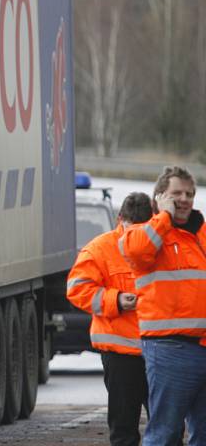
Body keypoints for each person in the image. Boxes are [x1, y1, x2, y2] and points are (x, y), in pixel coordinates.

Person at [121, 166, 206, 446]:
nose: (184, 199)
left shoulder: (201, 234)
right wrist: (164, 216)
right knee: (166, 433)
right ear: (159, 197)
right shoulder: (146, 233)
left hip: (202, 345)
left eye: (190, 193)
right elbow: (136, 252)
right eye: (176, 193)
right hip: (170, 348)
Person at [67, 192, 153, 446]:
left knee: (167, 427)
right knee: (124, 428)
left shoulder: (162, 246)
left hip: (160, 350)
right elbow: (77, 289)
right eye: (130, 229)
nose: (136, 237)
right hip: (121, 353)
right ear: (119, 220)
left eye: (143, 230)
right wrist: (114, 300)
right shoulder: (100, 249)